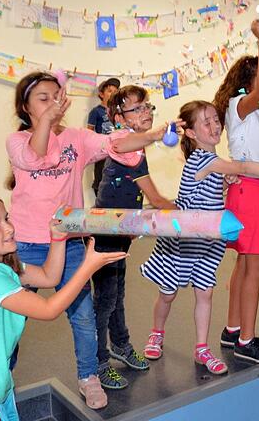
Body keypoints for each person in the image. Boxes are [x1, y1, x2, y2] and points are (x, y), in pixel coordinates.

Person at [5, 71, 162, 409]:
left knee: (83, 315)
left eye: (55, 97)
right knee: (13, 320)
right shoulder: (16, 142)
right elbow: (35, 155)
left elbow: (116, 144)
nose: (52, 103)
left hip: (70, 240)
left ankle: (88, 376)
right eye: (43, 98)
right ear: (25, 107)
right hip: (26, 245)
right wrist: (47, 120)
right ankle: (1, 376)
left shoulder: (77, 138)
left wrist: (150, 135)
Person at [0, 191, 126, 420]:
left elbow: (48, 276)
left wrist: (58, 239)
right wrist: (87, 268)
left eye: (7, 218)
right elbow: (48, 309)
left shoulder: (0, 267)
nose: (9, 228)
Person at [141, 100, 259, 368]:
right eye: (206, 122)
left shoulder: (213, 163)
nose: (215, 126)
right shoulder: (204, 159)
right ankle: (157, 333)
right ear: (190, 133)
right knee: (168, 294)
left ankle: (201, 348)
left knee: (205, 294)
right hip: (182, 243)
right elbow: (244, 168)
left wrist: (224, 184)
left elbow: (213, 193)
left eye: (216, 120)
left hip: (206, 244)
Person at [91, 85, 180, 390]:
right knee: (104, 301)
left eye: (148, 107)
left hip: (121, 233)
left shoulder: (137, 150)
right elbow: (125, 144)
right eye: (138, 108)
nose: (146, 112)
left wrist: (170, 206)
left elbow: (149, 190)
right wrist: (156, 133)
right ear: (118, 116)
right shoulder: (118, 139)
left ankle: (120, 344)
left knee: (116, 295)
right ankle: (98, 361)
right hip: (104, 232)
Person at [212, 19, 259, 363]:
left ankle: (232, 330)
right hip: (249, 193)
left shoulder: (258, 116)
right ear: (249, 81)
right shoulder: (239, 105)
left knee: (246, 265)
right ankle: (246, 339)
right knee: (255, 268)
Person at [87, 77, 121, 196]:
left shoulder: (118, 112)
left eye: (115, 91)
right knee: (101, 178)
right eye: (110, 91)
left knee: (117, 177)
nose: (113, 94)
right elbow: (89, 132)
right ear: (102, 94)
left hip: (117, 150)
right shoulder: (96, 111)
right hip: (102, 150)